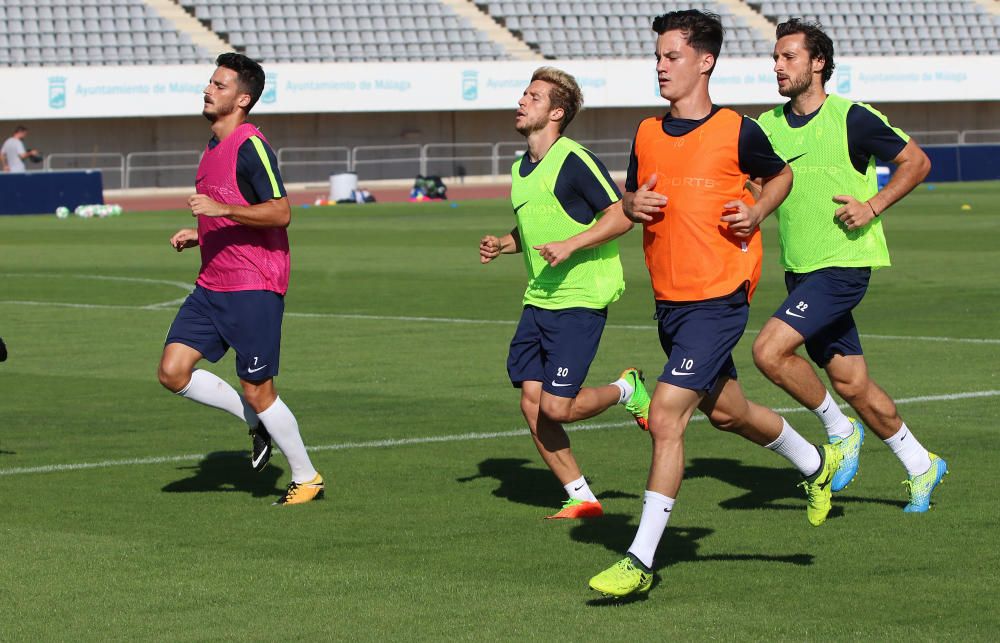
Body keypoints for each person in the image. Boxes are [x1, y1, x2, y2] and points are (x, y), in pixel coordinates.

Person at [541, 10, 843, 598]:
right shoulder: (646, 132)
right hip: (671, 303)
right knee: (727, 412)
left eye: (671, 55)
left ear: (704, 61)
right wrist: (633, 207)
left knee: (667, 414)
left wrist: (757, 212)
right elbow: (630, 203)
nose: (660, 65)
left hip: (720, 298)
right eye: (657, 56)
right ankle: (814, 463)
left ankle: (640, 560)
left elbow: (779, 177)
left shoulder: (737, 129)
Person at [751, 19, 945, 513]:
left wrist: (873, 205)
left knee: (769, 352)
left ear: (818, 63)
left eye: (788, 56)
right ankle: (921, 463)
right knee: (852, 383)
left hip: (843, 265)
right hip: (801, 269)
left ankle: (840, 433)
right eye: (775, 57)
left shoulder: (852, 117)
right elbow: (758, 191)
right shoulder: (764, 128)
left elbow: (917, 162)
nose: (778, 65)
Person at [479, 66, 651, 521]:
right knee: (531, 405)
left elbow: (620, 216)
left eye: (533, 97)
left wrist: (572, 245)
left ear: (556, 112)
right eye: (523, 94)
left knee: (557, 407)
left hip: (580, 298)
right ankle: (582, 497)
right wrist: (505, 243)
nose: (521, 101)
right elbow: (538, 227)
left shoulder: (574, 159)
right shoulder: (520, 167)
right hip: (539, 300)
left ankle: (625, 389)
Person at [157, 53, 323, 506]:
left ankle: (306, 477)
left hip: (253, 286)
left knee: (260, 389)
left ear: (243, 99)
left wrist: (221, 211)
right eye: (210, 82)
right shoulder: (211, 147)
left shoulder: (251, 145)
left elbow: (281, 212)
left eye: (220, 85)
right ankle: (254, 423)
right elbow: (230, 209)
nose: (209, 90)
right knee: (172, 372)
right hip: (211, 285)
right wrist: (202, 232)